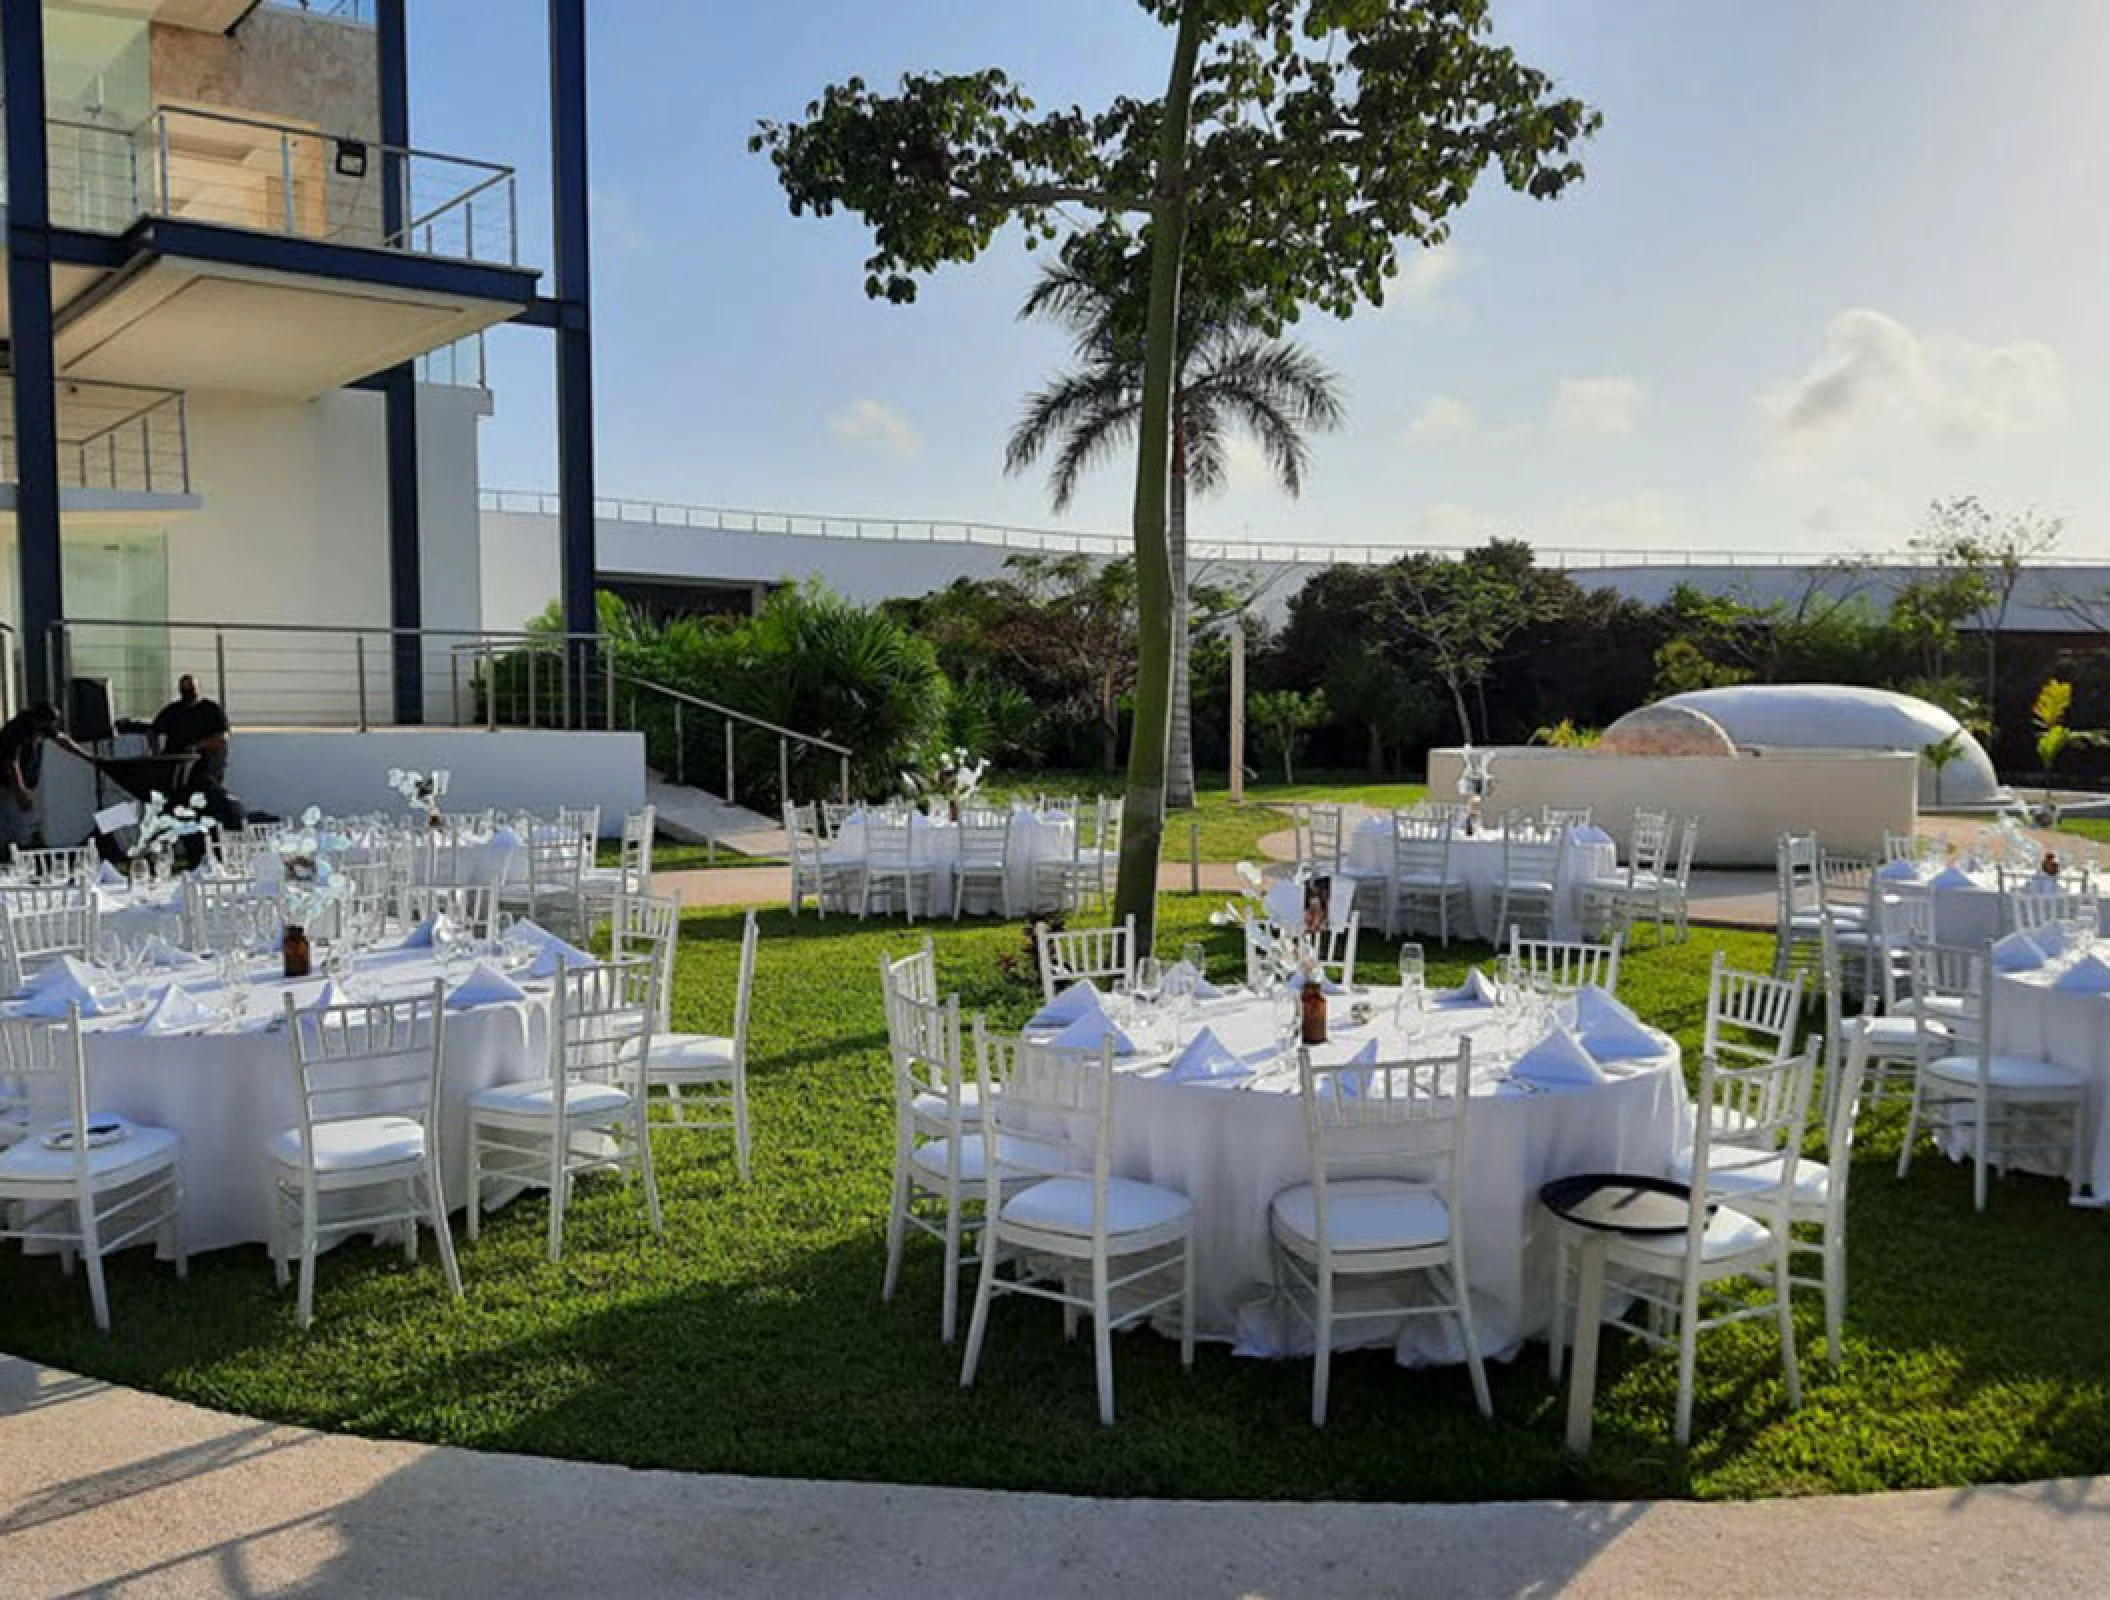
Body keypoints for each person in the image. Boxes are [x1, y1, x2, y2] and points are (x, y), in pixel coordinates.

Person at [0, 702, 90, 853]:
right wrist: (20, 792)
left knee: (24, 817)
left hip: (25, 780)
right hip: (7, 782)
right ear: (38, 719)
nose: (50, 727)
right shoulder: (16, 730)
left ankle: (18, 846)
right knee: (13, 820)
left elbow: (61, 739)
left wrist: (86, 756)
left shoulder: (39, 726)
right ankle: (14, 848)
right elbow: (11, 763)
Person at [150, 674, 231, 790]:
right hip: (176, 769)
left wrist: (197, 746)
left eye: (191, 688)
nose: (188, 693)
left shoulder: (212, 710)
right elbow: (154, 731)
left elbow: (222, 738)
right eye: (184, 689)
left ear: (198, 688)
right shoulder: (172, 711)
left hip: (206, 769)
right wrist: (157, 752)